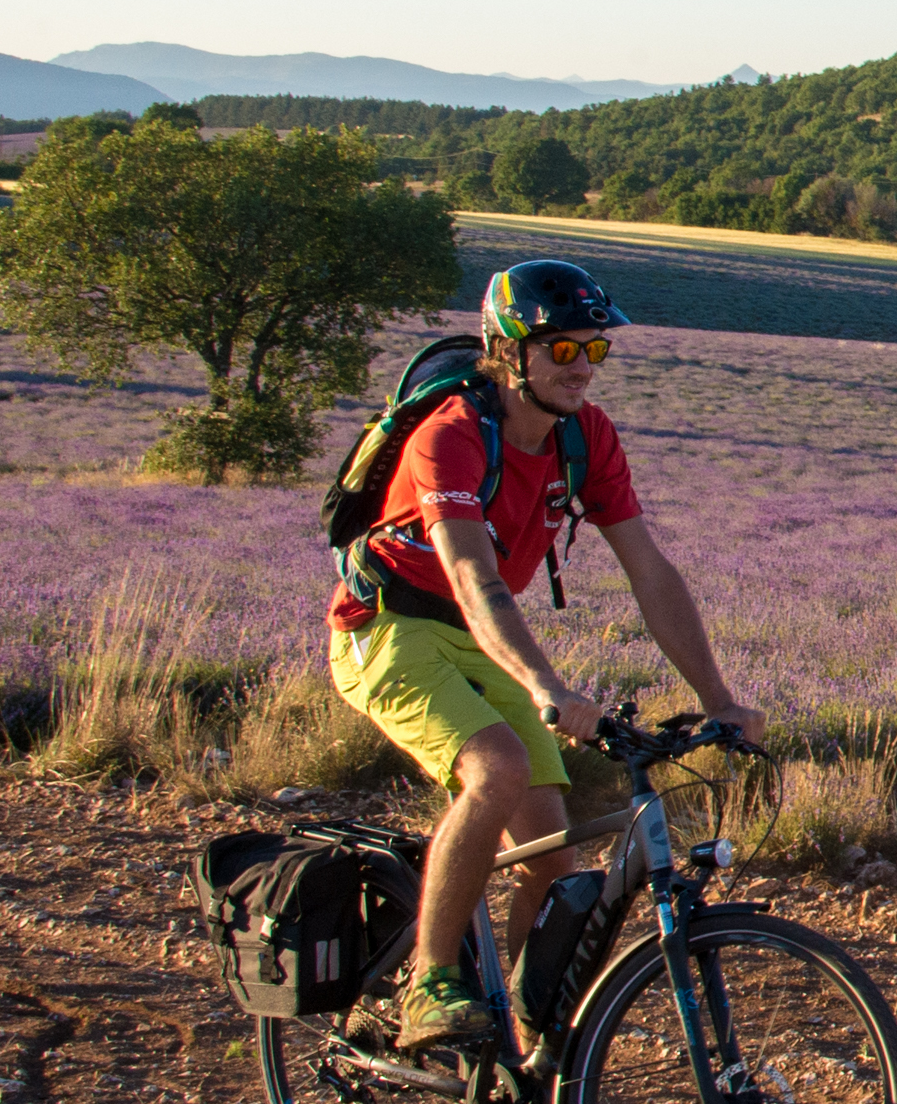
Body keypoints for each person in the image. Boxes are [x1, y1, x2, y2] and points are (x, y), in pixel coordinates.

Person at [326, 259, 762, 1053]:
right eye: (563, 351)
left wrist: (719, 697)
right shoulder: (451, 438)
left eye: (594, 352)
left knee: (554, 857)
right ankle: (431, 983)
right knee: (496, 769)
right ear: (509, 351)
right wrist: (545, 684)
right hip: (387, 625)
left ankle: (524, 1049)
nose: (583, 370)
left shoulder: (584, 436)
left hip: (475, 634)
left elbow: (650, 570)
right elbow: (473, 577)